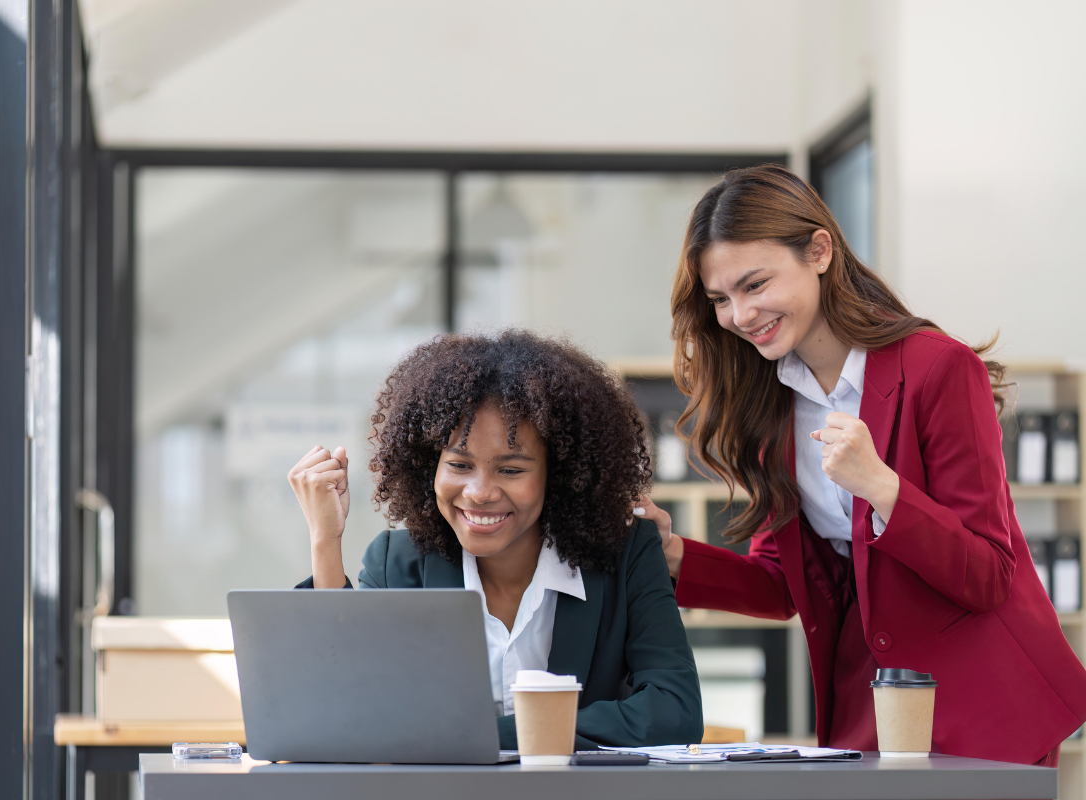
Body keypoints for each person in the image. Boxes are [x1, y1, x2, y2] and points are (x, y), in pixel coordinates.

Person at [642, 164, 1086, 765]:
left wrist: (883, 490)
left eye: (755, 285)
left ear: (819, 251)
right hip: (868, 711)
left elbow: (987, 575)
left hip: (981, 707)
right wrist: (670, 555)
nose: (740, 315)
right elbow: (782, 587)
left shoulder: (939, 369)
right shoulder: (773, 404)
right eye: (721, 299)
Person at [289, 330, 702, 750]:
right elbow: (341, 710)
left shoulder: (628, 553)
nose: (479, 492)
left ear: (556, 475)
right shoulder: (398, 563)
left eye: (511, 470)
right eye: (459, 464)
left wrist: (487, 735)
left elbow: (674, 713)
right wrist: (325, 540)